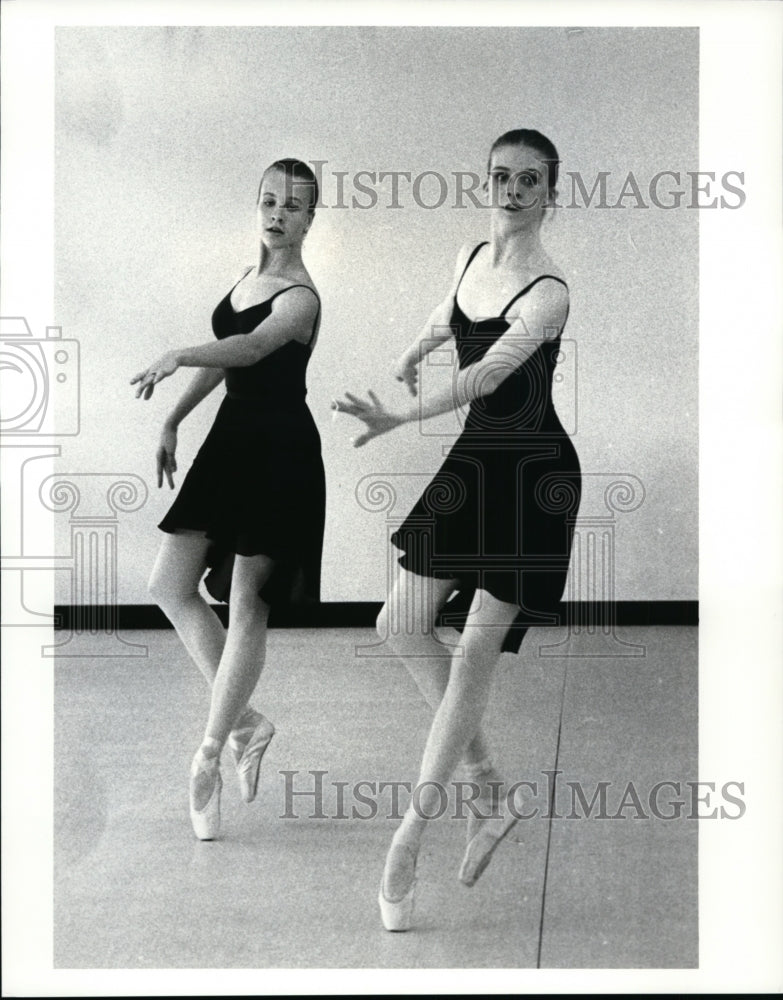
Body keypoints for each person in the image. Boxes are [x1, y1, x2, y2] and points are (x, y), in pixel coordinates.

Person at [334, 129, 581, 930]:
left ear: (551, 191)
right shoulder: (474, 254)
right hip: (477, 461)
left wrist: (402, 411)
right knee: (398, 622)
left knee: (474, 650)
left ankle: (410, 834)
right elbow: (453, 313)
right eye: (501, 177)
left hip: (531, 474)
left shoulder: (549, 290)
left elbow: (485, 375)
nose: (512, 191)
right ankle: (488, 790)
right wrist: (414, 347)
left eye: (528, 181)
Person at [131, 158, 325, 841]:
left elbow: (248, 347)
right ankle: (246, 722)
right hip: (229, 445)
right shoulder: (248, 279)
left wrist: (176, 352)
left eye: (293, 206)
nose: (277, 214)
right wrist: (173, 418)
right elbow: (223, 361)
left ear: (310, 218)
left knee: (247, 605)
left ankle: (210, 752)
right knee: (169, 584)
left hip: (279, 455)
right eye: (269, 201)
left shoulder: (299, 296)